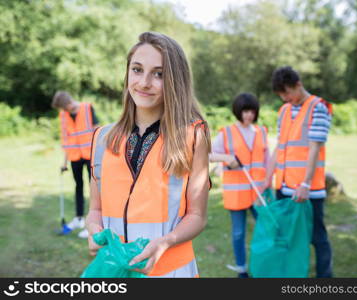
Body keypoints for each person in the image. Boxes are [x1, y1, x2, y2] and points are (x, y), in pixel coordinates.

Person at [85, 32, 211, 278]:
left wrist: (165, 242)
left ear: (176, 81)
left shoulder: (193, 135)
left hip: (171, 273)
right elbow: (95, 210)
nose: (144, 82)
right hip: (115, 273)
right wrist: (92, 228)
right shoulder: (102, 138)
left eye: (159, 74)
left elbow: (197, 216)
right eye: (137, 69)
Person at [263, 66, 333, 278]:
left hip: (307, 190)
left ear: (298, 85)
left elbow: (314, 148)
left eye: (288, 93)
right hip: (283, 188)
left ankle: (325, 276)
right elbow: (280, 147)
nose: (286, 98)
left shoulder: (319, 107)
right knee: (285, 235)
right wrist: (267, 178)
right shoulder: (284, 110)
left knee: (317, 237)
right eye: (281, 95)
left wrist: (305, 184)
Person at [209, 93, 269, 278]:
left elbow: (267, 160)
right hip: (236, 193)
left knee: (265, 231)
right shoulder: (226, 133)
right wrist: (226, 159)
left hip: (258, 191)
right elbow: (208, 154)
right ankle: (242, 269)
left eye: (252, 111)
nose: (248, 115)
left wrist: (267, 182)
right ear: (238, 111)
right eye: (245, 111)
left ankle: (264, 265)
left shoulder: (261, 132)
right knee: (238, 234)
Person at [52, 91, 99, 238]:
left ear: (68, 104)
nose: (64, 111)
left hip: (90, 155)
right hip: (74, 157)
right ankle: (79, 219)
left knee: (94, 189)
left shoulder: (87, 108)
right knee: (78, 187)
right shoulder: (64, 116)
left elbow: (98, 131)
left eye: (64, 108)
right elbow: (67, 139)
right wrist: (64, 162)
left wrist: (100, 155)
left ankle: (93, 223)